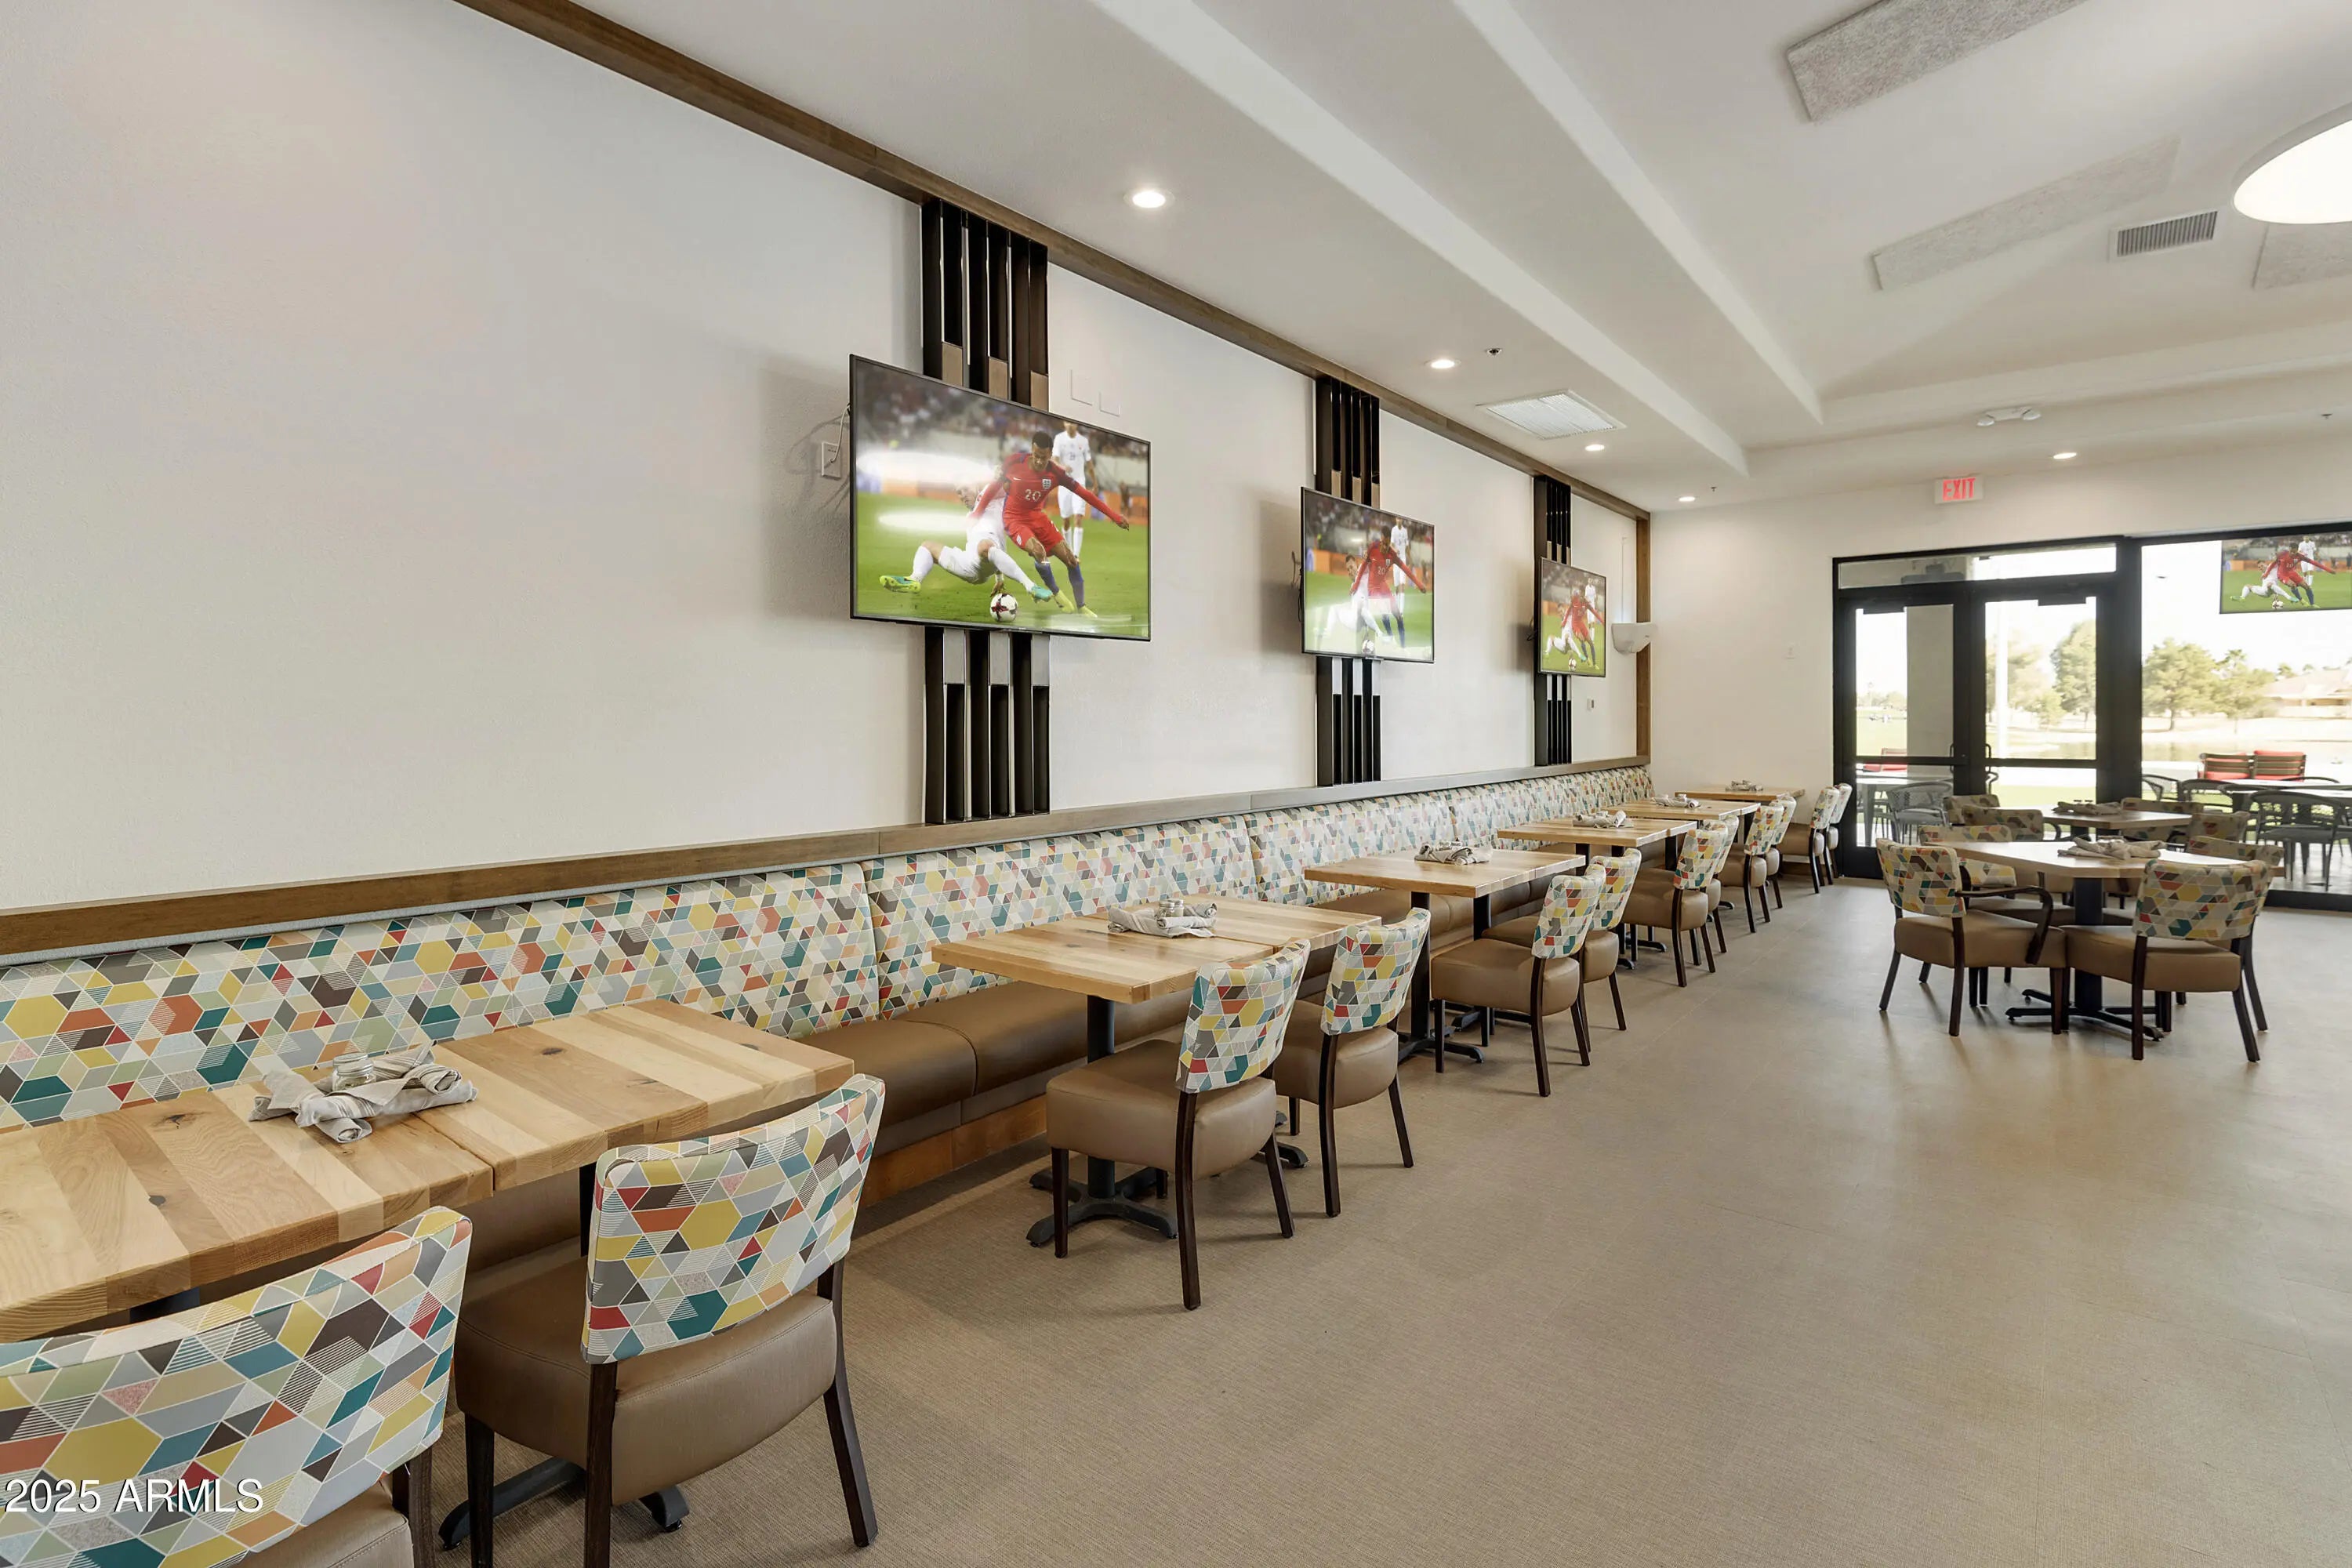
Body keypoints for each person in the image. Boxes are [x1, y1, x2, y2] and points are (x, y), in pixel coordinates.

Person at [972, 431, 1131, 615]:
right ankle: (1057, 594)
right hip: (1014, 518)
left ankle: (1082, 607)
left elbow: (1085, 494)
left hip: (1037, 517)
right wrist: (976, 513)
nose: (1040, 461)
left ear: (1050, 455)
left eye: (1044, 457)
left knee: (1071, 559)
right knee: (1038, 551)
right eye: (1036, 456)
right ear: (1032, 450)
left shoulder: (1056, 473)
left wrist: (1114, 516)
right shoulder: (1014, 462)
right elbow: (993, 488)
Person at [878, 478, 1054, 603]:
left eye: (966, 489)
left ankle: (1031, 587)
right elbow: (998, 544)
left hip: (986, 553)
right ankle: (914, 579)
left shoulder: (990, 496)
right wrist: (999, 578)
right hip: (970, 564)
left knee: (984, 546)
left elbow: (1006, 485)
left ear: (976, 486)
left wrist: (1002, 475)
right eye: (959, 492)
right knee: (927, 546)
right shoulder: (970, 517)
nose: (963, 495)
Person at [1348, 522, 1425, 653]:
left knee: (1398, 616)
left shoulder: (1392, 555)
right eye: (1383, 543)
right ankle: (1392, 642)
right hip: (1373, 588)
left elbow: (1406, 569)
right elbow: (1363, 568)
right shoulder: (1373, 548)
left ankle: (1403, 647)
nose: (1384, 547)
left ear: (1390, 543)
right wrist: (1355, 585)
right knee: (1384, 612)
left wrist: (1419, 584)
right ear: (1381, 539)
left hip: (1383, 586)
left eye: (1387, 544)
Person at [1051, 419, 1094, 559]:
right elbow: (1054, 459)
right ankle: (1069, 552)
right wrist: (1062, 467)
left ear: (1077, 424)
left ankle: (1076, 555)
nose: (1070, 425)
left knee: (1078, 517)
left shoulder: (1083, 441)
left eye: (1073, 422)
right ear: (1064, 424)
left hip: (1079, 483)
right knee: (1066, 520)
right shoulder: (1059, 438)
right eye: (1067, 422)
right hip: (1064, 484)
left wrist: (1095, 482)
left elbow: (1089, 463)